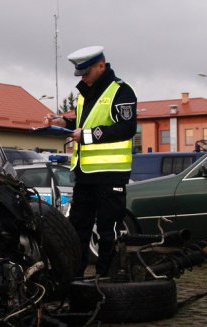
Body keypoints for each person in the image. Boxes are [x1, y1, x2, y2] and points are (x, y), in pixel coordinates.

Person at [44, 46, 137, 277]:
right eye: (80, 74)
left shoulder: (121, 92)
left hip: (111, 174)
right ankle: (74, 278)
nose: (83, 78)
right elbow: (84, 120)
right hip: (85, 175)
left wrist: (85, 136)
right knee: (77, 229)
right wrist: (62, 122)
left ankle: (107, 278)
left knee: (108, 230)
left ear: (101, 66)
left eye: (86, 73)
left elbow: (126, 128)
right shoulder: (86, 93)